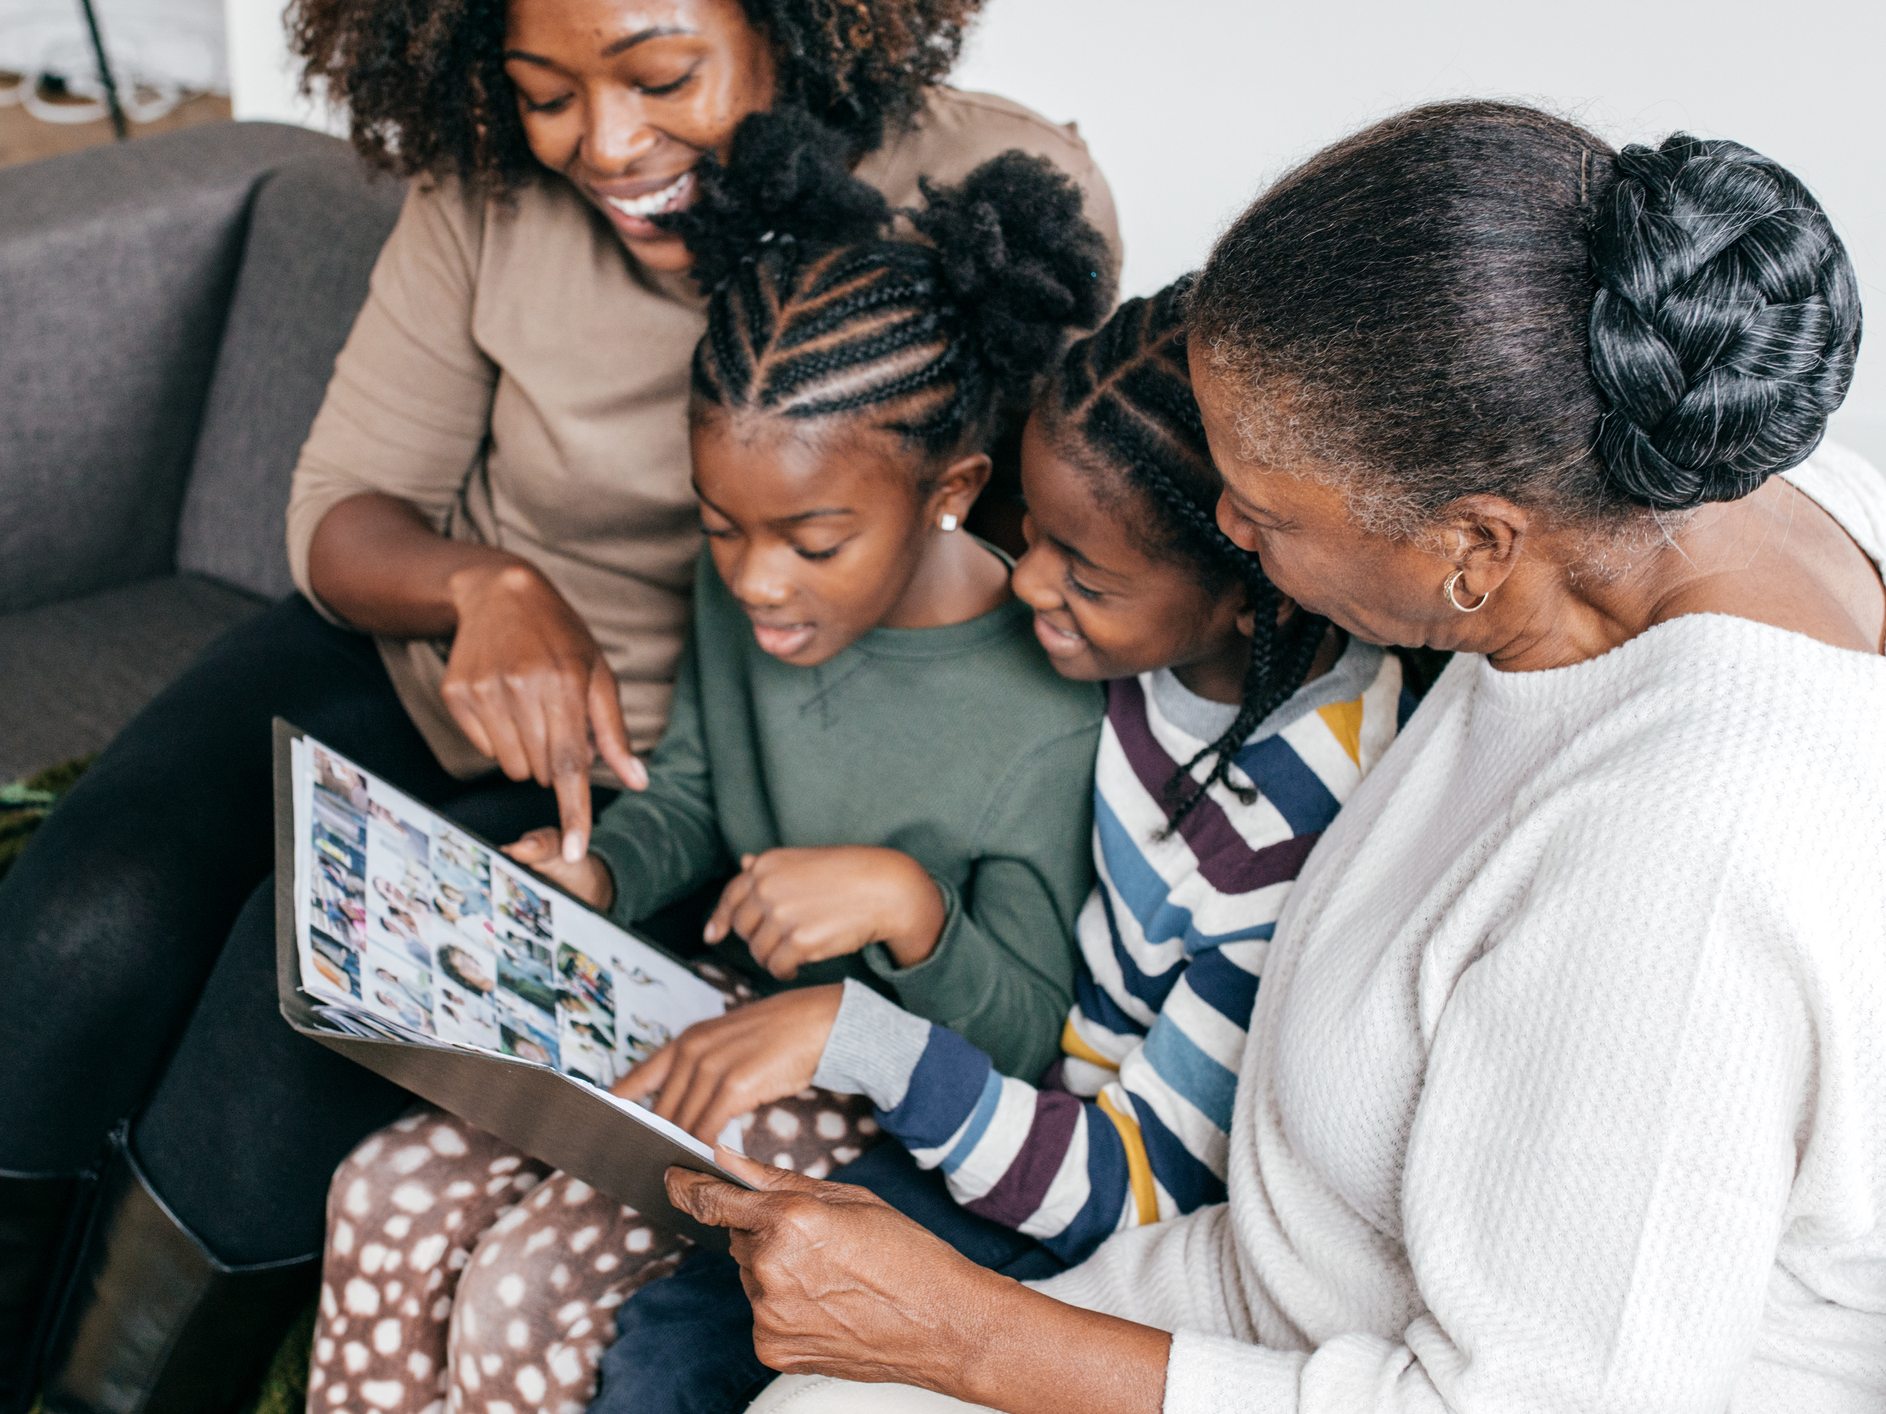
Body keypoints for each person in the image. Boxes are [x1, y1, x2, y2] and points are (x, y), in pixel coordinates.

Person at [0, 1, 1123, 1408]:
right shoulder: (485, 195)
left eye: (659, 74)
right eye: (544, 90)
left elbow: (1019, 598)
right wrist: (485, 587)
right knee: (79, 913)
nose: (607, 140)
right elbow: (337, 517)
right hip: (431, 646)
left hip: (650, 760)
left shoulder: (983, 211)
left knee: (276, 1017)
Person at [660, 102, 1886, 1413]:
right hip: (1267, 1287)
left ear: (1468, 548)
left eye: (1263, 515)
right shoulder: (1661, 470)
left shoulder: (1676, 872)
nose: (1225, 525)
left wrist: (952, 1332)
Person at [304, 113, 1113, 1414]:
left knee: (526, 1297)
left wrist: (907, 909)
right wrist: (600, 876)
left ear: (951, 489)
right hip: (710, 1007)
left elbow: (1024, 1040)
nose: (753, 578)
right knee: (379, 1187)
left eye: (809, 537)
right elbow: (686, 793)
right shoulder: (740, 591)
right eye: (721, 525)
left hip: (888, 1101)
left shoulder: (1048, 707)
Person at [587, 275, 1418, 1414]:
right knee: (686, 1320)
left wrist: (855, 1031)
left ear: (1252, 582)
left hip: (1097, 1182)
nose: (1025, 583)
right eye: (1030, 535)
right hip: (1014, 1103)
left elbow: (1136, 1186)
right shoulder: (1145, 639)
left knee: (683, 1356)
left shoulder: (1286, 833)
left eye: (1081, 574)